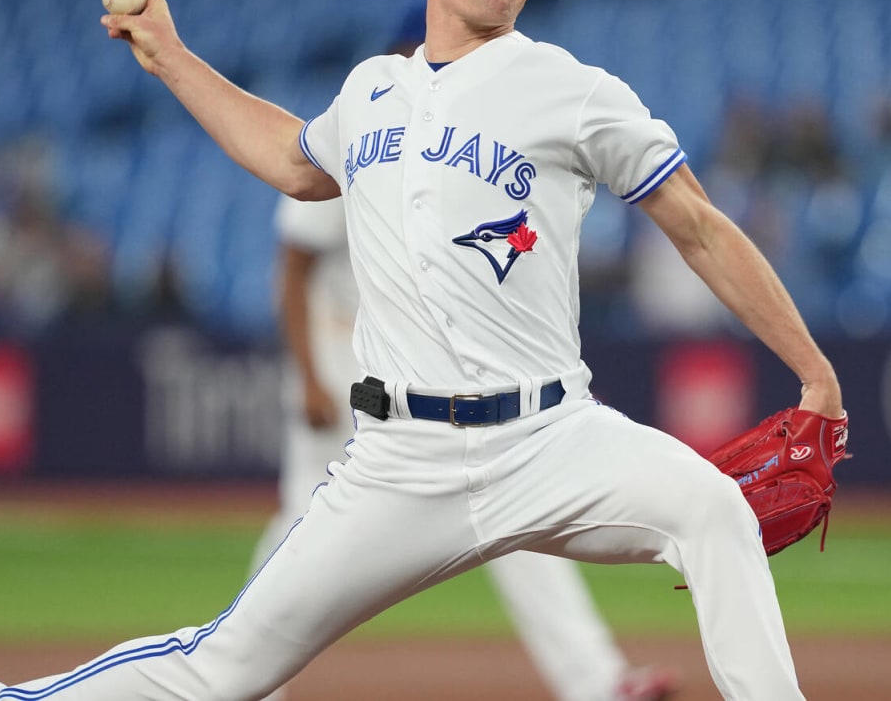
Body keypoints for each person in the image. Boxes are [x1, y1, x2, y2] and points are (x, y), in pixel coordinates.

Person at [0, 0, 843, 701]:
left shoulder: (569, 88)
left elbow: (695, 222)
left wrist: (813, 370)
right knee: (227, 668)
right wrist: (172, 56)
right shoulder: (374, 88)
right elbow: (297, 162)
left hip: (552, 437)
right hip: (399, 462)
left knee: (713, 510)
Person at [257, 188, 676, 700]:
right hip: (337, 357)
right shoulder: (344, 146)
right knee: (302, 523)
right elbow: (292, 266)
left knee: (511, 506)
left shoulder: (439, 141)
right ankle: (242, 678)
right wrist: (308, 377)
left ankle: (597, 682)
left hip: (414, 368)